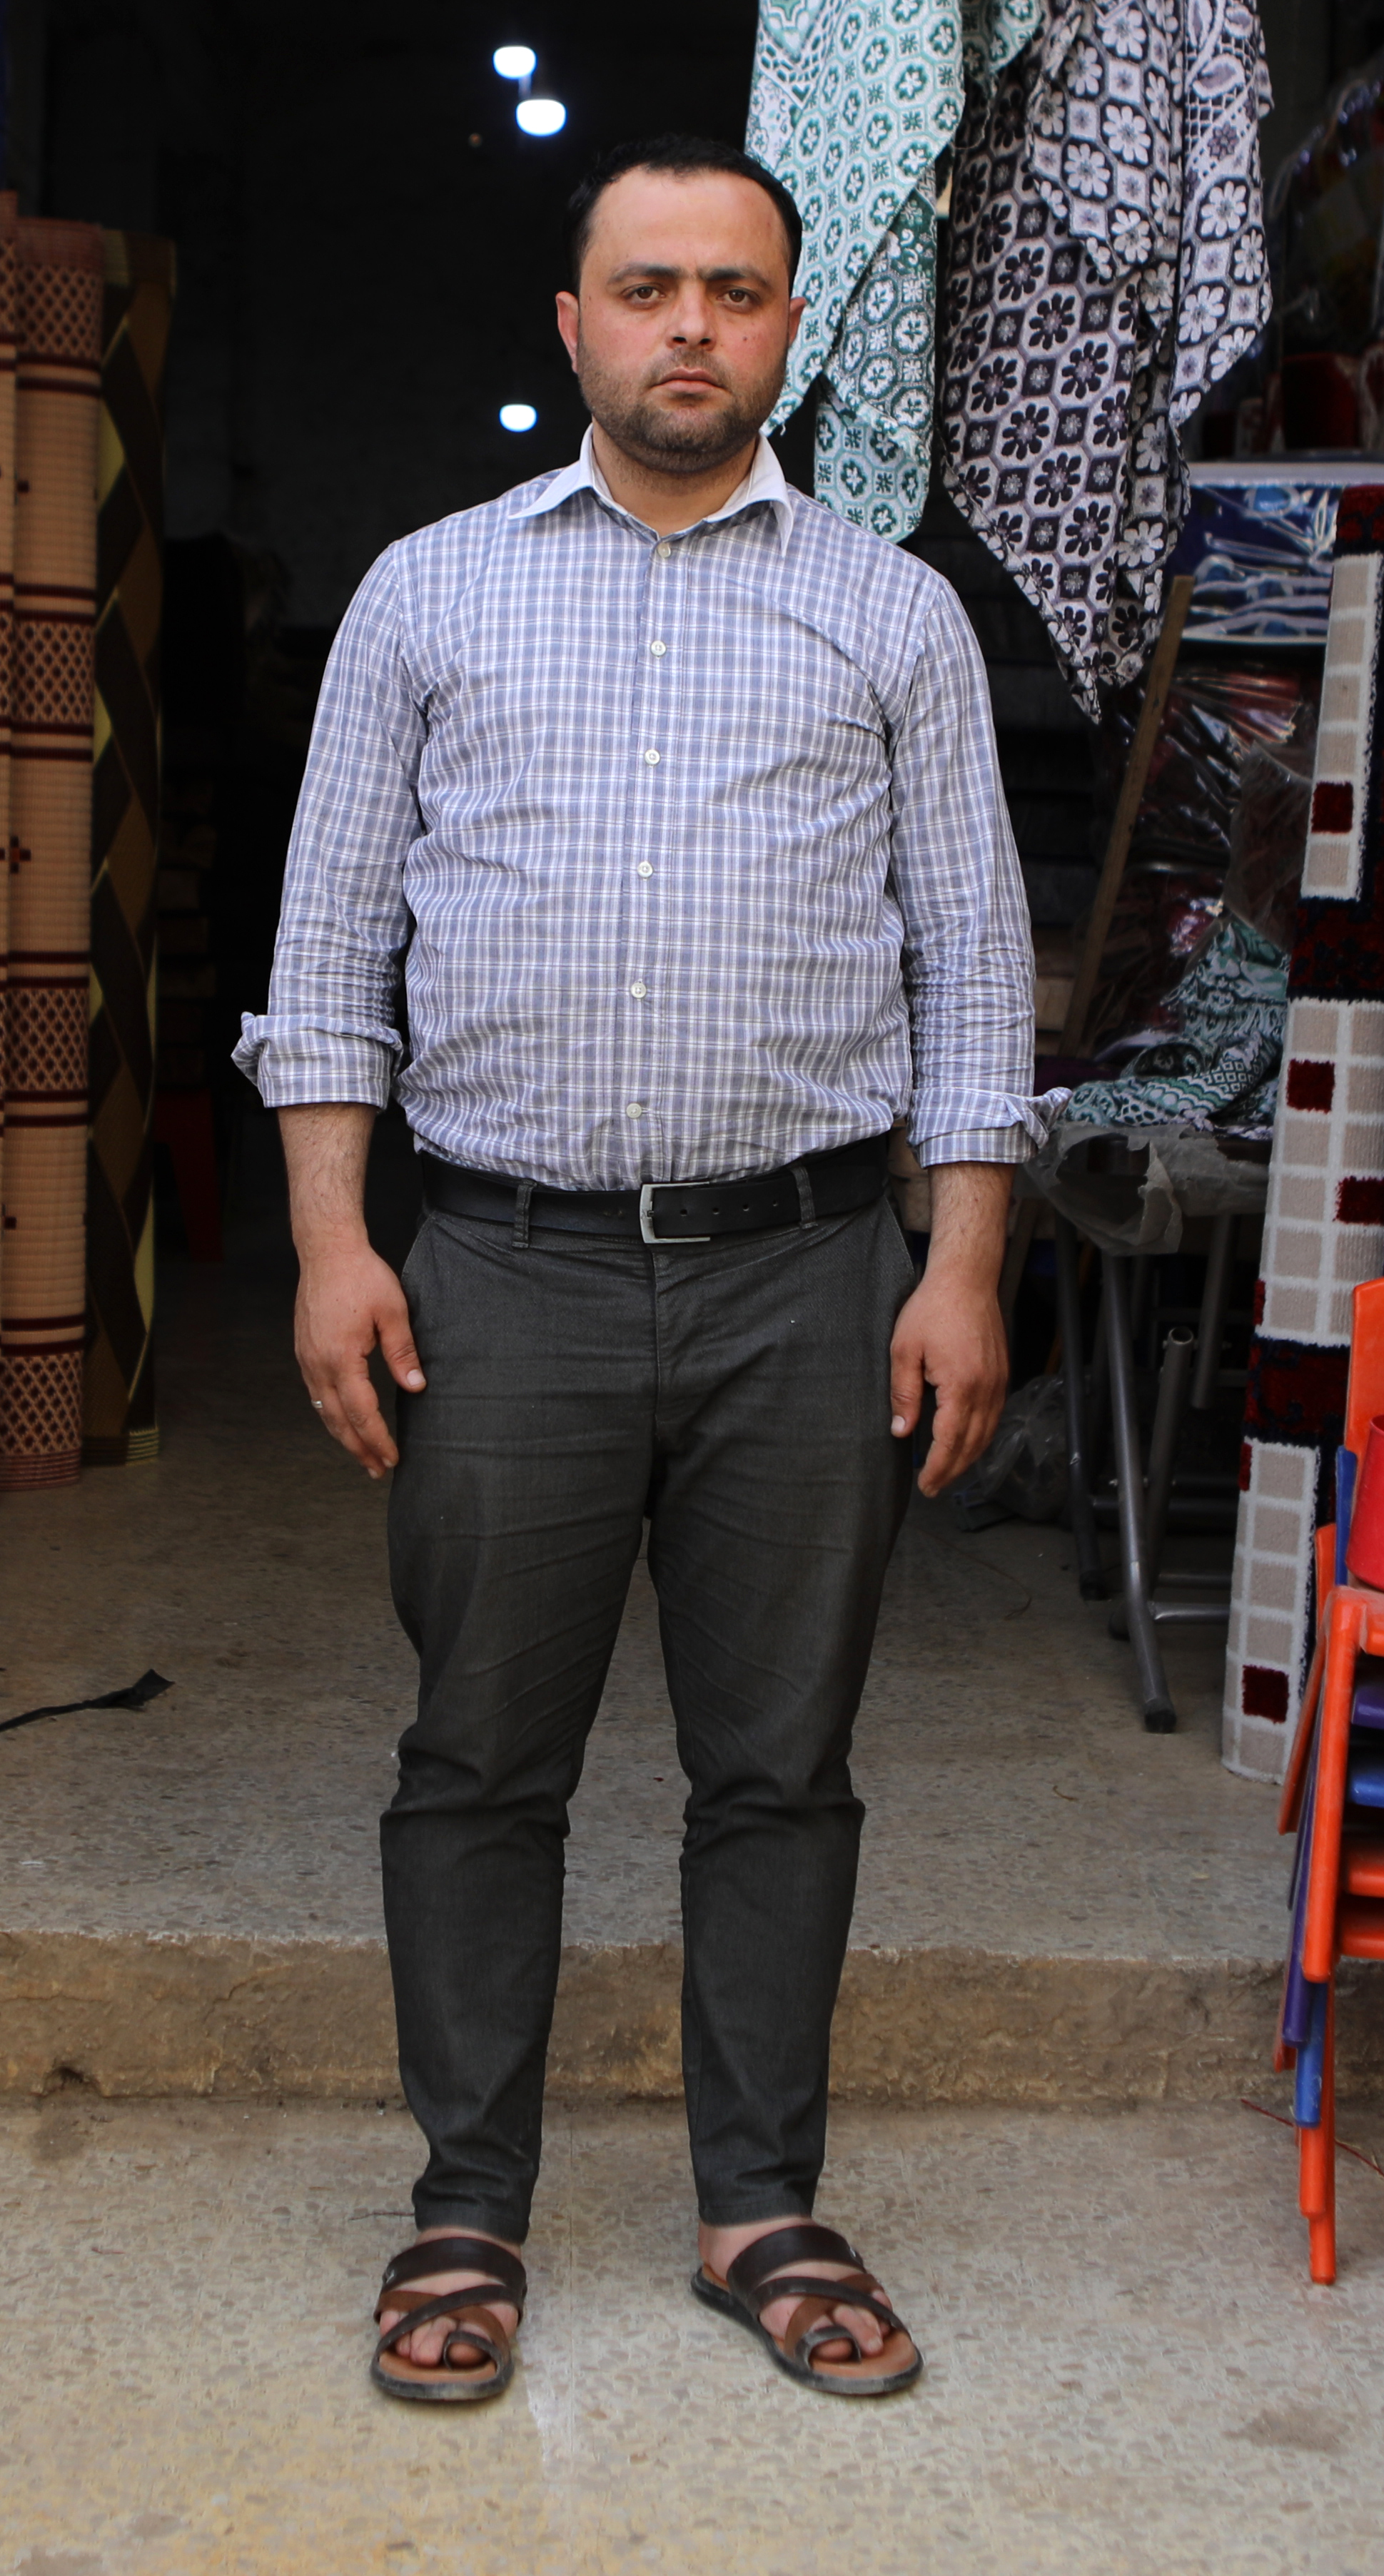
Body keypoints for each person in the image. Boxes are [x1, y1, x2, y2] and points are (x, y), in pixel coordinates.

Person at [236, 133, 1036, 2410]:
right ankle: (462, 2209)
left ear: (793, 330)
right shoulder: (427, 595)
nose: (694, 326)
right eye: (649, 287)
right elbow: (326, 959)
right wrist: (327, 1245)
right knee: (482, 1755)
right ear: (571, 324)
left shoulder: (890, 614)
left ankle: (757, 2203)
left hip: (807, 1276)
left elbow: (976, 980)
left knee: (781, 1768)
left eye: (739, 292)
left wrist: (955, 1263)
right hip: (506, 1271)